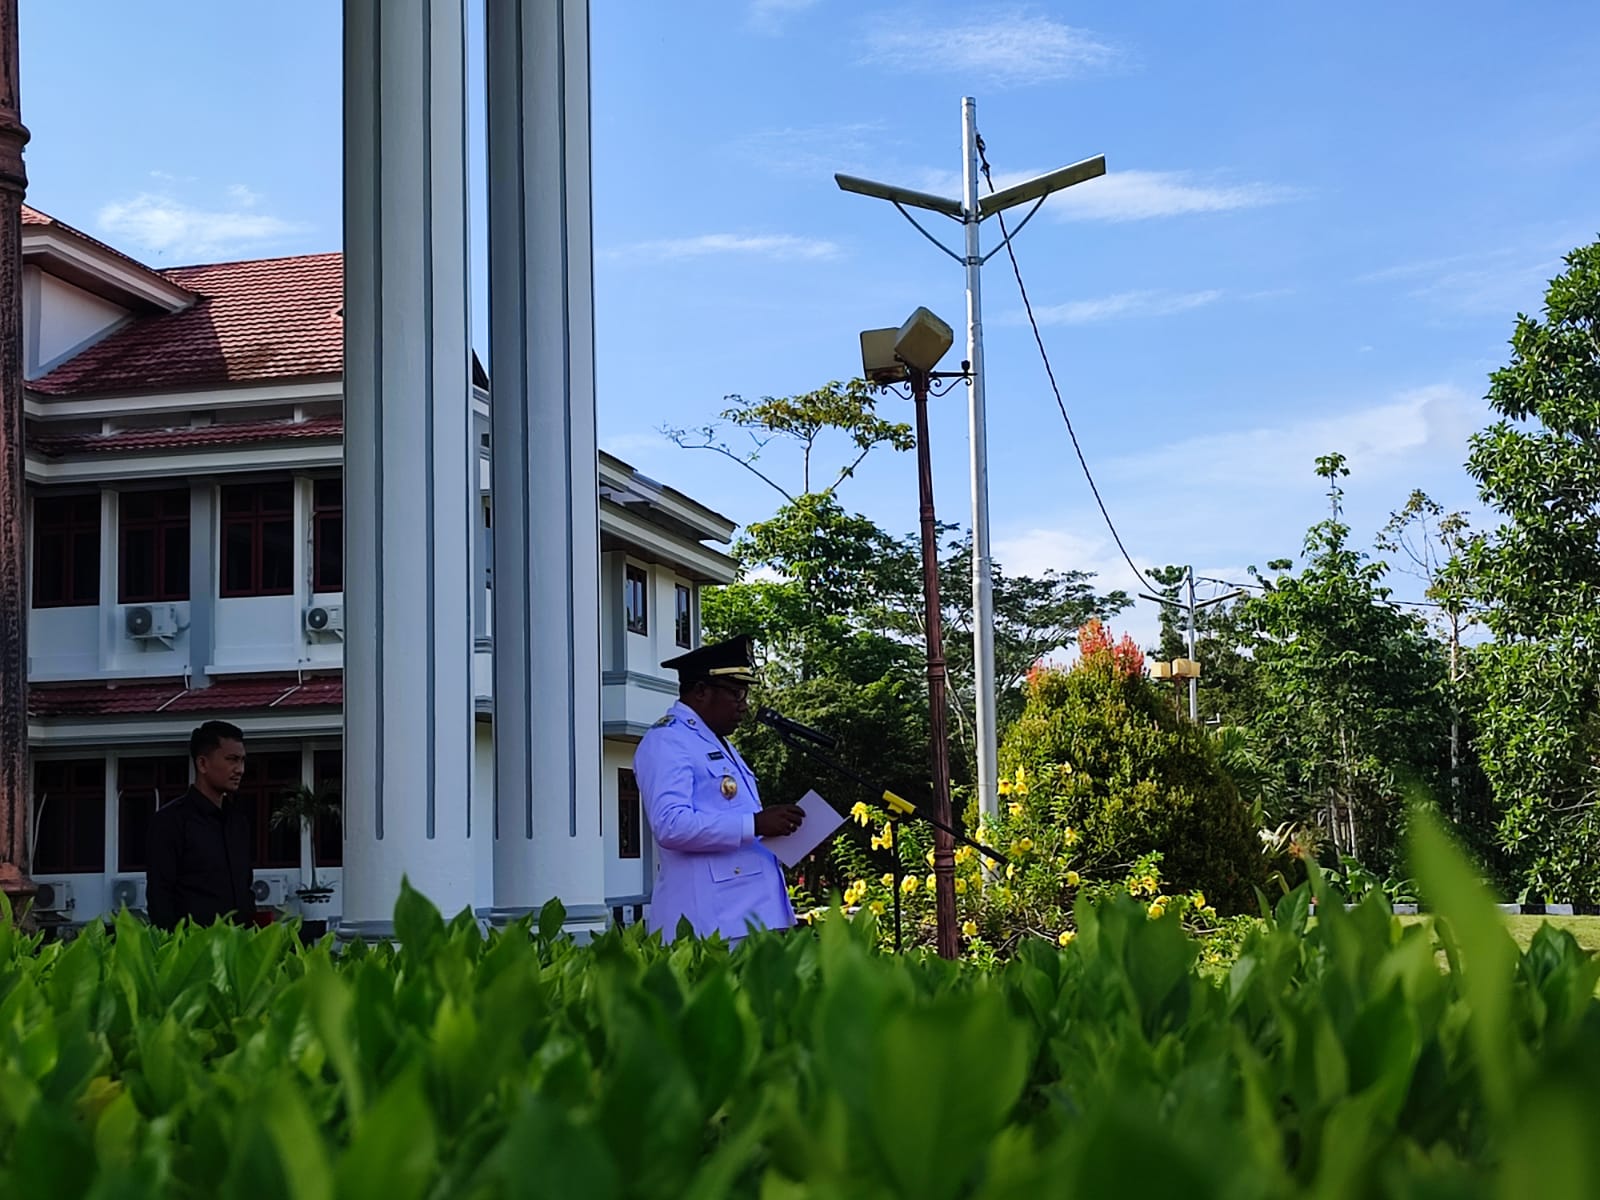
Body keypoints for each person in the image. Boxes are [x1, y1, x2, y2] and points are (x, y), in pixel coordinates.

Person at [634, 634, 806, 944]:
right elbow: (670, 825)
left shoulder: (716, 743)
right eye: (737, 694)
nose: (744, 706)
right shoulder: (668, 741)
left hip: (749, 915)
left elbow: (735, 825)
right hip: (711, 922)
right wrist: (754, 823)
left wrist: (784, 833)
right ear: (701, 691)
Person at [145, 720, 256, 931]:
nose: (240, 770)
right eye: (232, 760)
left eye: (242, 761)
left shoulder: (238, 822)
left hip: (237, 949)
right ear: (202, 764)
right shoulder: (170, 821)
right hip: (193, 951)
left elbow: (245, 890)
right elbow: (160, 896)